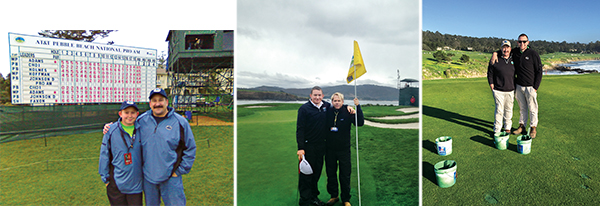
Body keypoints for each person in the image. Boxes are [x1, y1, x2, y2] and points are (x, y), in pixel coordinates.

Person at [104, 88, 197, 206]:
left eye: (160, 100)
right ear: (150, 104)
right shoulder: (142, 120)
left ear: (167, 102)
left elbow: (190, 148)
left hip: (171, 177)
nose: (157, 103)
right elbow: (126, 122)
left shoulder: (180, 122)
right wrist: (110, 127)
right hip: (149, 178)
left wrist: (179, 171)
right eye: (154, 101)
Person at [491, 34, 543, 138]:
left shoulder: (533, 54)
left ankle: (533, 128)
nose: (522, 44)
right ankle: (522, 126)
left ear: (528, 42)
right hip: (518, 86)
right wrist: (495, 53)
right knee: (522, 108)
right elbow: (505, 49)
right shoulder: (515, 52)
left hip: (530, 86)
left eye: (524, 41)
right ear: (517, 42)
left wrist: (535, 87)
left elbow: (539, 71)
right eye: (520, 42)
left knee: (532, 108)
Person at [99, 101, 143, 206]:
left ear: (137, 114)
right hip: (116, 182)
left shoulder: (142, 129)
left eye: (132, 113)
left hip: (135, 183)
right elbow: (104, 154)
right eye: (126, 112)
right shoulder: (111, 130)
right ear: (120, 114)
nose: (129, 115)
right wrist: (105, 178)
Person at [324, 93, 364, 206]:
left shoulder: (348, 111)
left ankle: (346, 199)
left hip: (344, 150)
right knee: (331, 174)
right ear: (332, 102)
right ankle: (334, 196)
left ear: (342, 101)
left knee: (345, 175)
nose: (337, 102)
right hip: (330, 150)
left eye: (339, 101)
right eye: (335, 101)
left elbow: (360, 123)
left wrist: (357, 107)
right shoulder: (328, 111)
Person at [487, 40, 515, 135]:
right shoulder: (495, 59)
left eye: (507, 47)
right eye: (503, 47)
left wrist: (495, 52)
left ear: (510, 49)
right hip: (498, 90)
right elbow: (490, 73)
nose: (505, 49)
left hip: (510, 90)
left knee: (509, 109)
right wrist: (492, 85)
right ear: (501, 49)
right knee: (499, 110)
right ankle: (497, 129)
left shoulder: (514, 58)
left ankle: (507, 128)